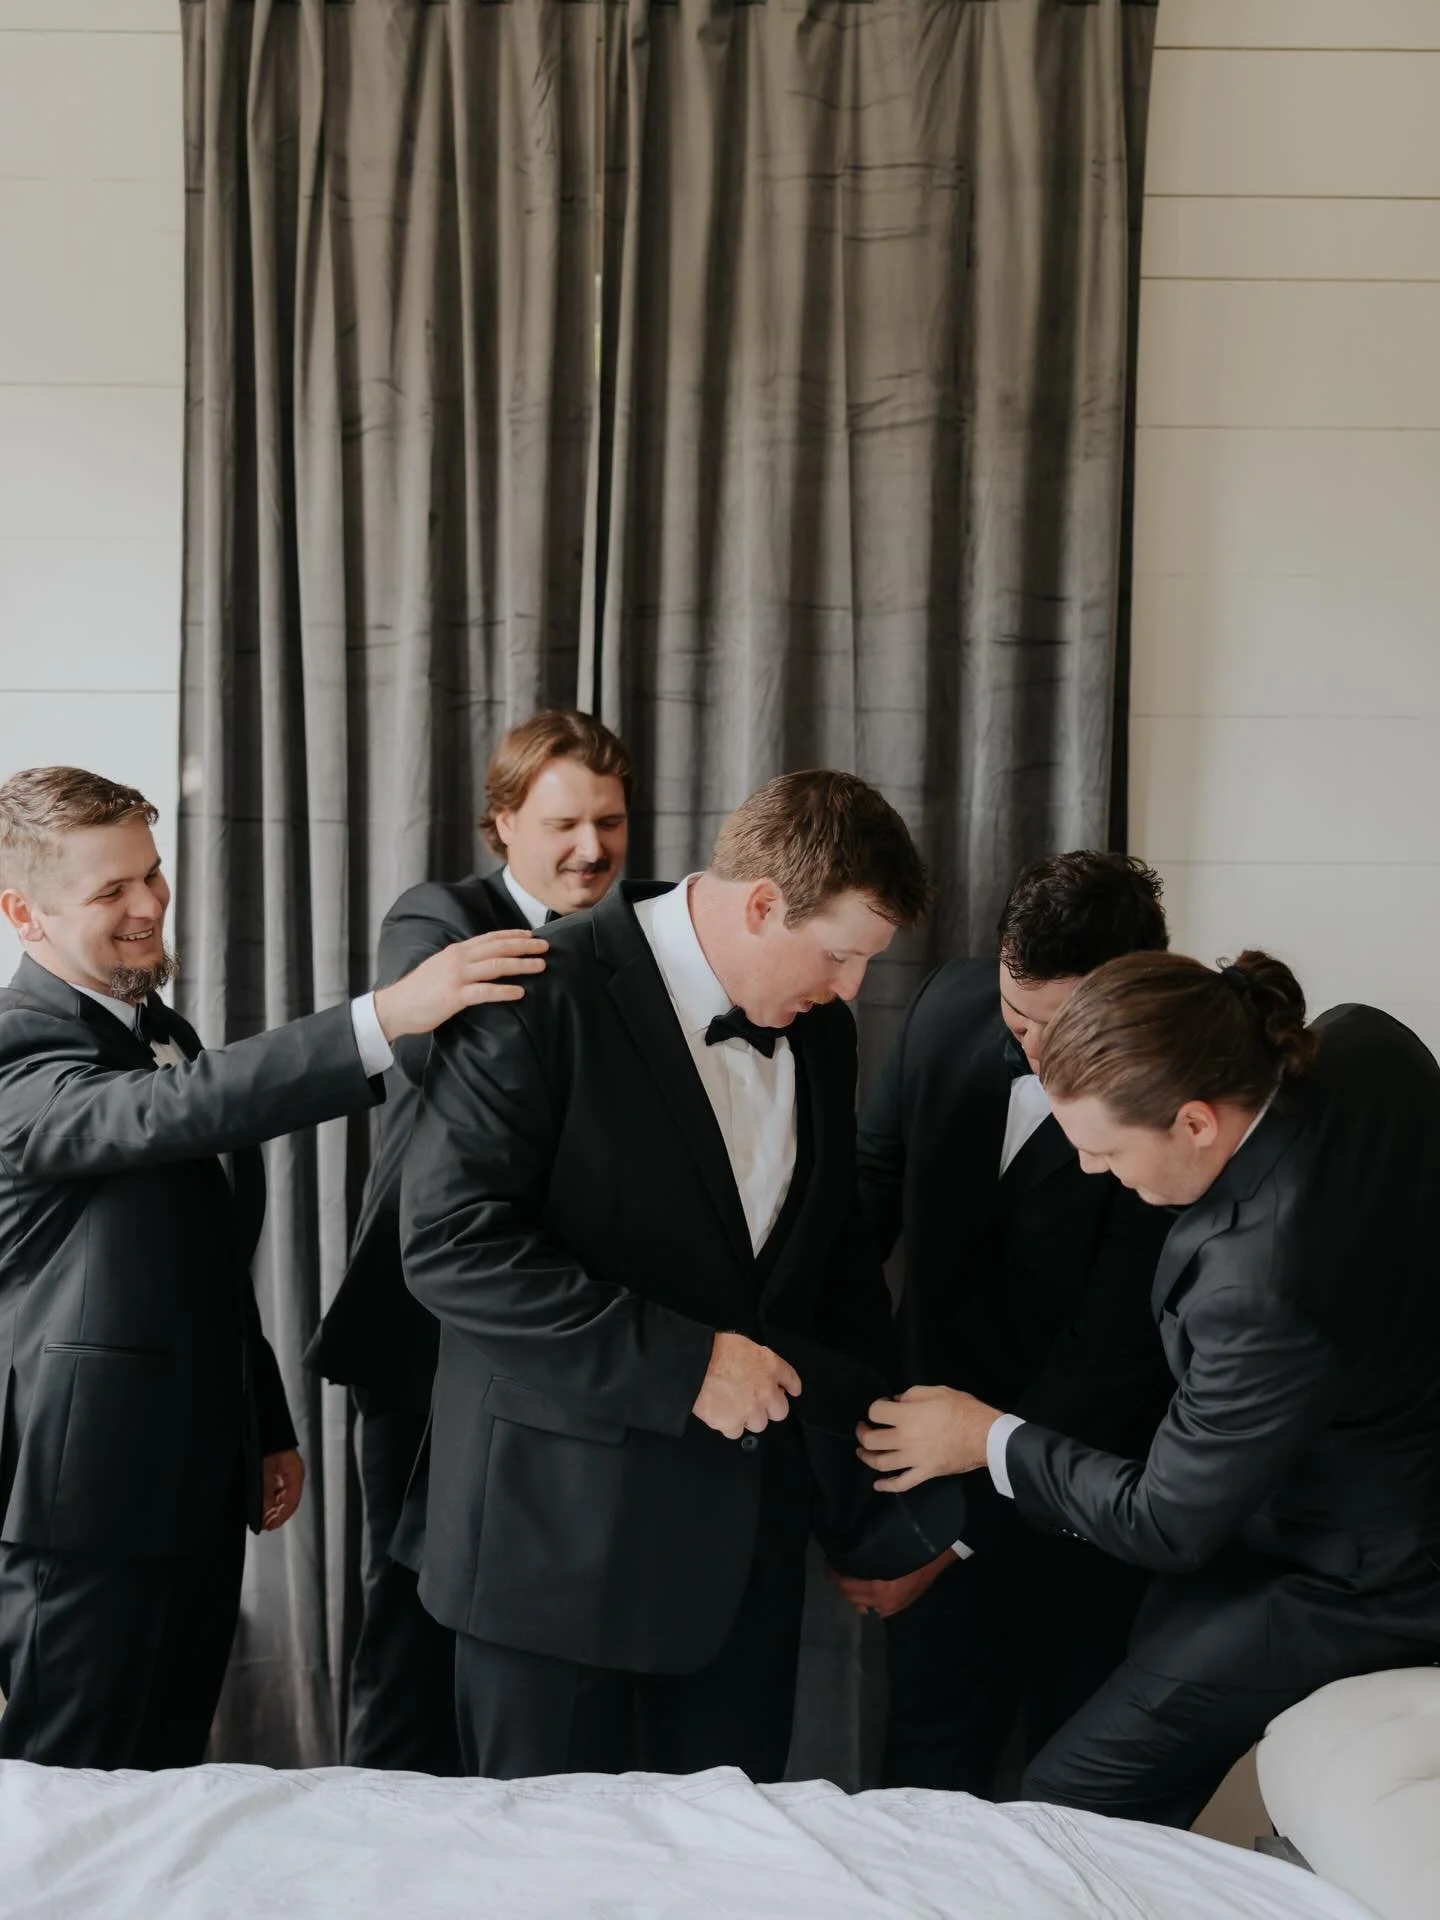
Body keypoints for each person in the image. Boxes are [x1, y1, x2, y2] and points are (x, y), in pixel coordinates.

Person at [399, 769, 969, 1782]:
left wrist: (876, 1508)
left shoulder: (822, 1030)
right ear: (761, 905)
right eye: (840, 955)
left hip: (741, 1569)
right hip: (554, 1556)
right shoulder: (536, 991)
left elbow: (832, 1271)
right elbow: (454, 1244)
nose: (850, 990)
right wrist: (683, 1364)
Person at [0, 764, 547, 1769]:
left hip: (197, 1490)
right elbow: (174, 1112)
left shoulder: (164, 1033)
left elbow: (202, 1260)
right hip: (82, 1509)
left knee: (164, 1783)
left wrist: (264, 1423)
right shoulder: (17, 1052)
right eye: (111, 890)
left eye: (152, 874)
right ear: (21, 913)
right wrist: (384, 1018)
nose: (149, 904)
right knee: (65, 1789)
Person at [859, 950, 1440, 1826]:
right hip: (1343, 1454)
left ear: (1197, 1122)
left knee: (1066, 1799)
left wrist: (985, 1436)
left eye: (1104, 1148)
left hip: (1365, 1573)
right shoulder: (1367, 1043)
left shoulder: (1258, 1285)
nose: (1093, 1170)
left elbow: (1165, 1523)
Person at [307, 709, 631, 1773]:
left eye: (613, 821)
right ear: (502, 822)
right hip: (424, 1340)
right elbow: (432, 1060)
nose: (594, 848)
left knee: (538, 1622)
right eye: (566, 822)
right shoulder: (439, 917)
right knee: (405, 1611)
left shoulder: (642, 930)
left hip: (565, 1339)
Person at [839, 852, 1175, 1794]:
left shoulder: (1168, 1097)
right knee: (923, 1774)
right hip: (925, 1466)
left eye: (1058, 1027)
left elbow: (1108, 1361)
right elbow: (867, 1197)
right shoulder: (946, 1005)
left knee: (1078, 1794)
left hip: (1088, 1508)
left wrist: (954, 1536)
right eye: (1015, 1014)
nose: (1029, 1047)